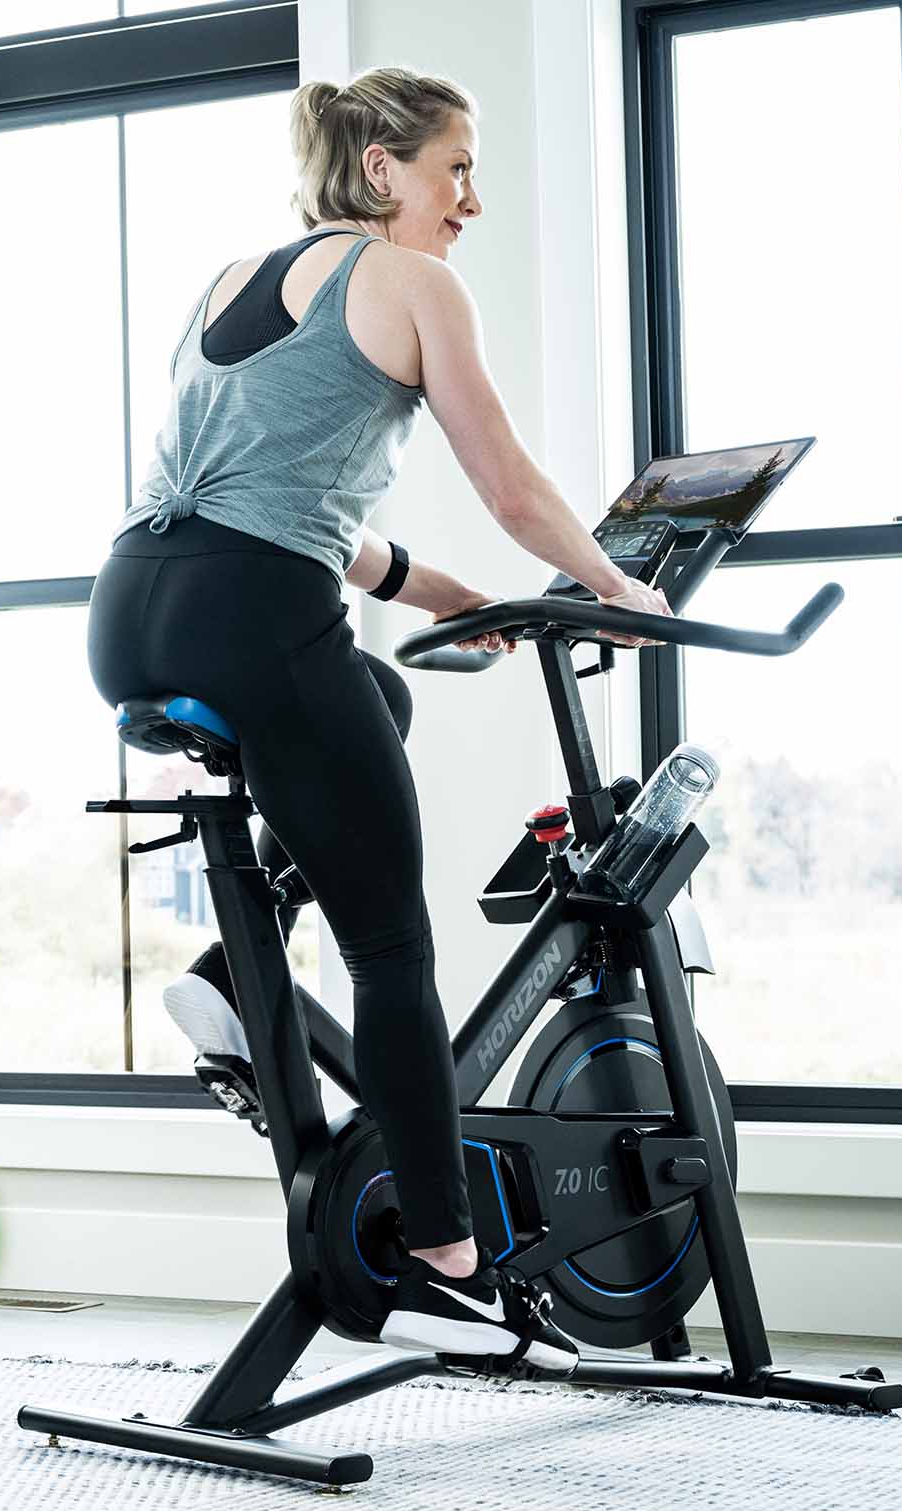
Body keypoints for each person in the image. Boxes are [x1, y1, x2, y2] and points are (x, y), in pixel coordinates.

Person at [85, 67, 671, 1368]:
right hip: (252, 614)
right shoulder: (414, 283)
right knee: (394, 950)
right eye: (455, 168)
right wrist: (620, 586)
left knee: (382, 692)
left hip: (133, 612)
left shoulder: (231, 279)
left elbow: (264, 489)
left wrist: (431, 587)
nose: (472, 200)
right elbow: (513, 484)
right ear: (381, 172)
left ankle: (235, 974)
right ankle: (446, 1248)